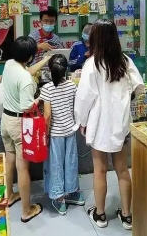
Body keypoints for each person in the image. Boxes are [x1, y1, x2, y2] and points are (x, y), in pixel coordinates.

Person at [75, 19, 144, 230]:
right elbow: (139, 87)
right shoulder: (124, 61)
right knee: (122, 169)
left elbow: (84, 98)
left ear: (95, 38)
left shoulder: (92, 64)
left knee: (100, 170)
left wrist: (82, 121)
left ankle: (100, 214)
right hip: (120, 123)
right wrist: (125, 100)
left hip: (99, 124)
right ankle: (127, 215)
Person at [0, 36, 50, 223]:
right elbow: (27, 106)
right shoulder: (26, 80)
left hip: (5, 120)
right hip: (19, 123)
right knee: (23, 169)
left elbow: (26, 71)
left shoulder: (9, 64)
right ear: (29, 57)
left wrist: (45, 60)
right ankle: (26, 210)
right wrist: (40, 98)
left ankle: (9, 195)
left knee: (9, 160)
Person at [40, 54, 85, 215]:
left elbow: (47, 116)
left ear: (49, 70)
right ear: (65, 69)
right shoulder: (72, 86)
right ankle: (73, 193)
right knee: (71, 162)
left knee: (56, 165)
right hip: (70, 131)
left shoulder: (47, 88)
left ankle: (59, 198)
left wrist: (45, 135)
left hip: (55, 134)